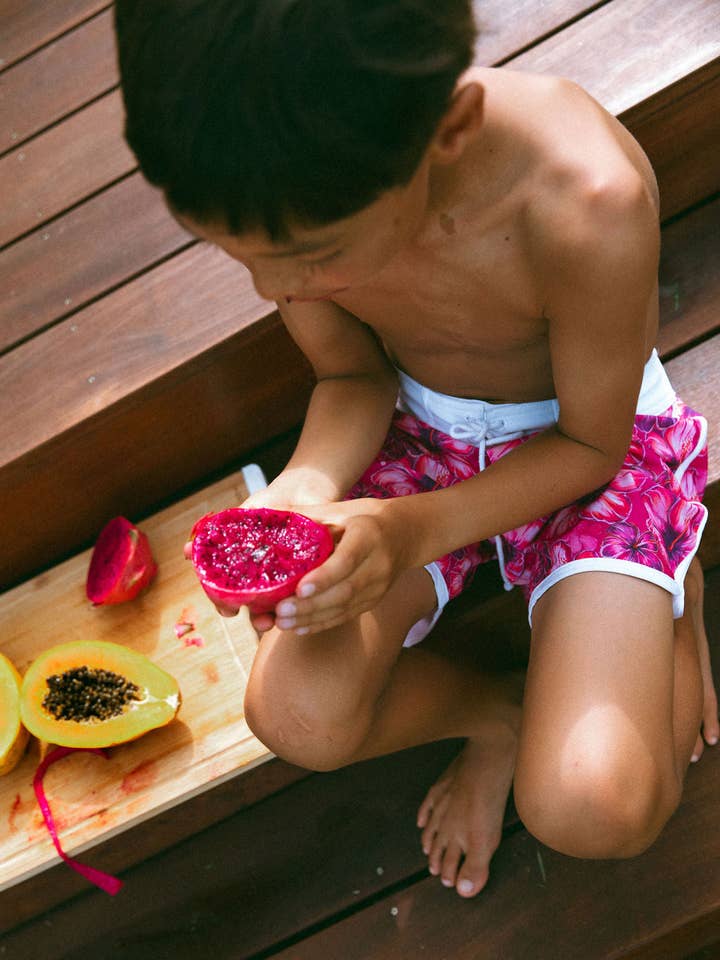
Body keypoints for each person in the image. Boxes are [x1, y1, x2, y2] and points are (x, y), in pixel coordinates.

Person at [115, 0, 718, 897]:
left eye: (311, 256)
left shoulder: (586, 201)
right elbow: (352, 378)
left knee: (595, 806)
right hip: (417, 429)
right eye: (237, 256)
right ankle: (497, 715)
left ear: (449, 129)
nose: (277, 286)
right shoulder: (286, 178)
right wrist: (303, 488)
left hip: (591, 442)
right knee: (295, 717)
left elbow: (591, 445)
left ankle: (677, 575)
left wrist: (403, 534)